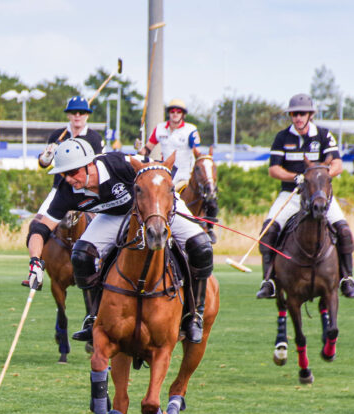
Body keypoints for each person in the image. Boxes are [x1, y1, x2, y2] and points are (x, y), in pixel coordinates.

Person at [24, 138, 214, 345]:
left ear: (89, 164)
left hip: (156, 207)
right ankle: (93, 317)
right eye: (64, 173)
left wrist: (161, 198)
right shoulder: (67, 190)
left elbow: (160, 168)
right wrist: (35, 262)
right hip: (115, 216)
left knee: (201, 247)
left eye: (72, 172)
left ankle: (195, 316)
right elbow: (40, 229)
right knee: (81, 255)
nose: (69, 178)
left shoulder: (118, 164)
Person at [255, 93, 354, 299]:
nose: (298, 118)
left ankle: (347, 278)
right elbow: (274, 169)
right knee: (268, 231)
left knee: (344, 231)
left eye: (301, 114)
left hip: (319, 195)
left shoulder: (323, 135)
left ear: (310, 115)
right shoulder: (282, 137)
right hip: (291, 194)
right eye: (294, 114)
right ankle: (269, 281)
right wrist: (297, 177)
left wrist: (317, 177)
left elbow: (337, 165)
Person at [137, 98, 216, 242]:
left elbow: (195, 149)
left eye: (178, 111)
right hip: (166, 175)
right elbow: (148, 148)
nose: (175, 114)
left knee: (209, 195)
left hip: (185, 175)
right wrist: (139, 150)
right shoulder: (160, 128)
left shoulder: (190, 129)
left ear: (183, 114)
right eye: (172, 111)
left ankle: (209, 228)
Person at [38, 96, 105, 169]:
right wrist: (47, 157)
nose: (77, 115)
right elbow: (43, 165)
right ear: (68, 115)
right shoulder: (56, 135)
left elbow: (100, 166)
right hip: (61, 179)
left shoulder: (95, 138)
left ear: (87, 115)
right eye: (73, 112)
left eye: (81, 112)